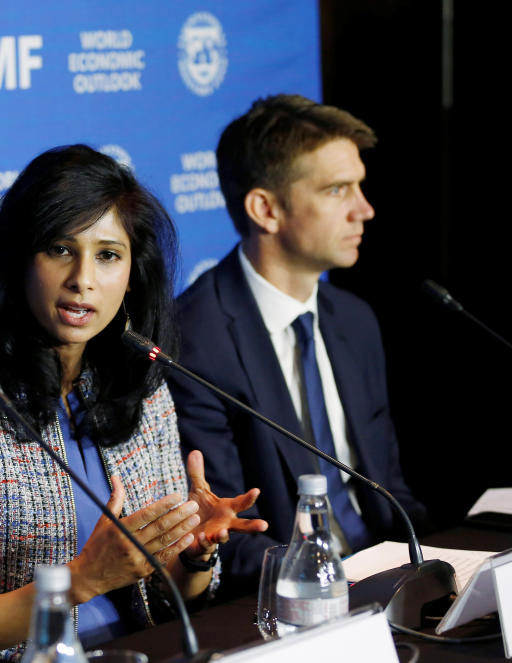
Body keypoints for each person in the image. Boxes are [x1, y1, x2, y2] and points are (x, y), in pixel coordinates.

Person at [0, 145, 268, 662]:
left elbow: (173, 598)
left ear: (133, 273)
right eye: (60, 249)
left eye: (107, 255)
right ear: (19, 258)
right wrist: (81, 581)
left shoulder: (143, 389)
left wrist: (194, 554)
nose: (82, 279)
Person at [169, 94, 430, 596]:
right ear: (265, 208)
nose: (365, 209)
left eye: (360, 186)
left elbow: (392, 493)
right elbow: (229, 542)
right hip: (288, 604)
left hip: (391, 580)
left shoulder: (354, 320)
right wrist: (340, 583)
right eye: (338, 190)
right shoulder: (194, 344)